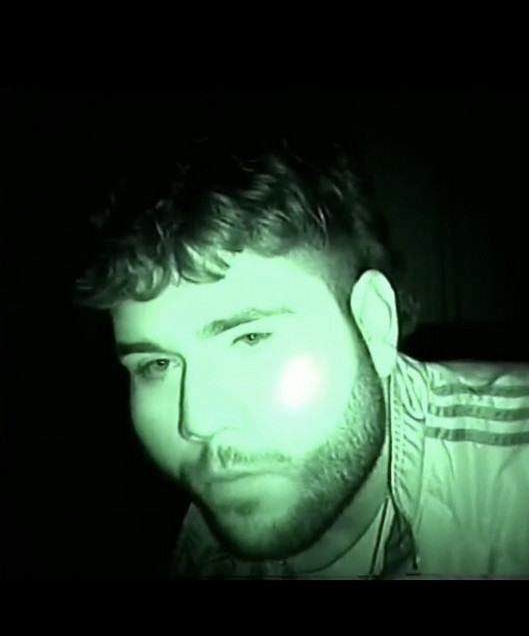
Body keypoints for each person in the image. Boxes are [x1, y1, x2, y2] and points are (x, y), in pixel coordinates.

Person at [73, 136, 529, 579]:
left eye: (251, 339)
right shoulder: (184, 551)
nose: (198, 422)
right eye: (156, 365)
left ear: (373, 324)